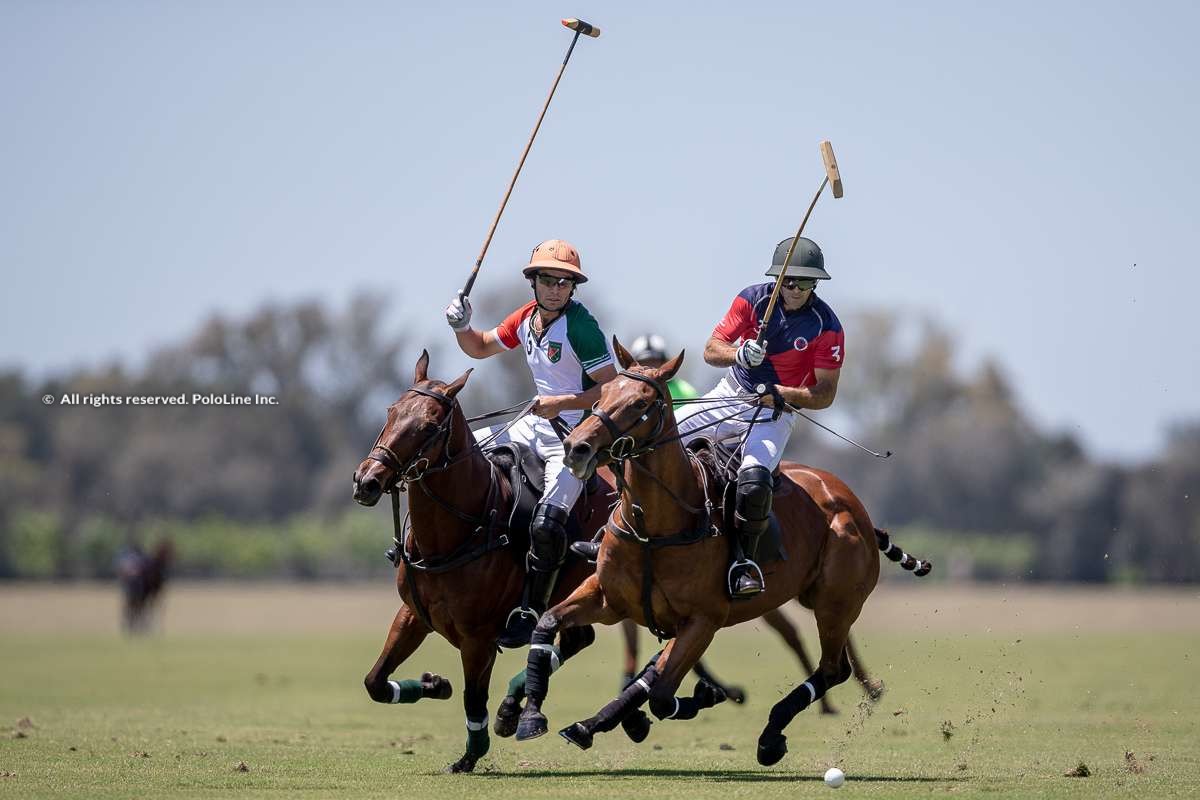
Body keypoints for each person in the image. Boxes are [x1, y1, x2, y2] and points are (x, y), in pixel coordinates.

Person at [444, 239, 617, 647]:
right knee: (458, 454)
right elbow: (480, 346)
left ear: (573, 288)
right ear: (533, 282)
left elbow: (612, 389)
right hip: (532, 423)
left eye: (564, 282)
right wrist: (460, 326)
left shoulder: (582, 327)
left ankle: (529, 610)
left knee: (546, 524)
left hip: (574, 437)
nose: (556, 288)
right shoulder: (526, 318)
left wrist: (564, 403)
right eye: (548, 280)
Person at [675, 236, 845, 598]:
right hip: (727, 396)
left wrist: (783, 394)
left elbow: (825, 393)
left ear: (817, 283)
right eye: (790, 281)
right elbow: (710, 349)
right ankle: (613, 531)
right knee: (656, 438)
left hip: (773, 415)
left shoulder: (826, 326)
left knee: (754, 481)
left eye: (806, 282)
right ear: (777, 278)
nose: (796, 289)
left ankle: (743, 562)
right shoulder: (753, 299)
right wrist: (738, 353)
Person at [568, 333, 698, 563]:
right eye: (645, 361)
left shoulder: (684, 390)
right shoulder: (629, 386)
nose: (651, 366)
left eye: (656, 361)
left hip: (677, 445)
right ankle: (605, 536)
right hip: (640, 444)